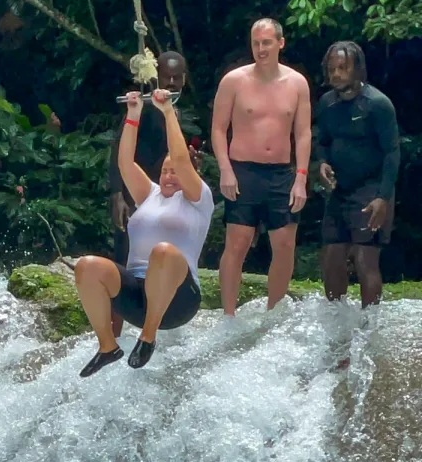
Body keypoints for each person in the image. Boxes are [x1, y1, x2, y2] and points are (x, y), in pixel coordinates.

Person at [75, 89, 214, 377]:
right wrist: (134, 115)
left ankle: (148, 337)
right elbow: (125, 163)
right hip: (137, 294)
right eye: (164, 171)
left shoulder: (199, 198)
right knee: (87, 266)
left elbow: (178, 154)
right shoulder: (148, 194)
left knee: (163, 251)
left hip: (178, 300)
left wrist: (167, 112)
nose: (167, 175)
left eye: (175, 171)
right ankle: (107, 346)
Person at [211, 18, 311, 315]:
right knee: (237, 243)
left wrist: (301, 177)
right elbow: (218, 129)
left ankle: (274, 311)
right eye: (255, 43)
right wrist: (225, 169)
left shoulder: (297, 83)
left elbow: (303, 133)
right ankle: (228, 313)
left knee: (284, 244)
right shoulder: (234, 80)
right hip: (243, 170)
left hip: (281, 172)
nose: (260, 48)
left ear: (280, 43)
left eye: (266, 42)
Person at [316, 41, 400, 308]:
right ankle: (336, 318)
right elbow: (323, 141)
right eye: (332, 69)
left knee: (365, 259)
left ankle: (369, 322)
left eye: (343, 68)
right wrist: (322, 163)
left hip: (371, 189)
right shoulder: (327, 103)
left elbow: (392, 152)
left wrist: (383, 197)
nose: (336, 74)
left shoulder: (378, 104)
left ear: (357, 69)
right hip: (341, 190)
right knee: (331, 257)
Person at [109, 51, 189, 266]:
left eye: (176, 78)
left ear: (184, 78)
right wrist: (117, 195)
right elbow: (117, 149)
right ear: (157, 78)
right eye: (166, 77)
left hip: (164, 193)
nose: (171, 83)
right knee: (128, 250)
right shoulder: (143, 108)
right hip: (135, 191)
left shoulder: (177, 111)